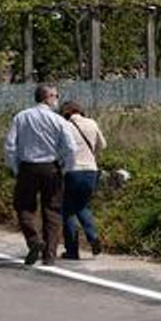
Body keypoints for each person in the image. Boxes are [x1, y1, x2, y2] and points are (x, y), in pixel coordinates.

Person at [2, 84, 78, 267]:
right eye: (56, 96)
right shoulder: (58, 120)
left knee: (23, 206)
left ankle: (34, 240)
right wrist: (66, 168)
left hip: (28, 167)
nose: (57, 100)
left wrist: (16, 168)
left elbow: (10, 146)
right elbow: (70, 147)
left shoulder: (21, 117)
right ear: (48, 97)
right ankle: (49, 254)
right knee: (52, 210)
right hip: (51, 167)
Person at [59, 101, 106, 260]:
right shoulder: (92, 123)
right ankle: (93, 237)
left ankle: (72, 250)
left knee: (69, 211)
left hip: (73, 171)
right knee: (83, 206)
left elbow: (60, 150)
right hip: (91, 170)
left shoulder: (65, 126)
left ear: (65, 113)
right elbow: (103, 145)